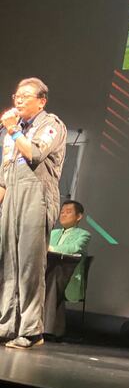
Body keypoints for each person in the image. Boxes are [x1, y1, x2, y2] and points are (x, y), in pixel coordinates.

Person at [0, 78, 67, 349]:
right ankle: (7, 326)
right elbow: (4, 177)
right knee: (8, 263)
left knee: (29, 264)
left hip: (36, 198)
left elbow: (35, 154)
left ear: (41, 101)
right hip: (11, 200)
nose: (18, 100)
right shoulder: (11, 132)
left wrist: (13, 130)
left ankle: (31, 331)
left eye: (25, 96)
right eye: (16, 95)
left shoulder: (51, 125)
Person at [45, 200, 91, 337]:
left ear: (79, 216)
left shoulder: (84, 234)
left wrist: (51, 248)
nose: (63, 215)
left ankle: (49, 328)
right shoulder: (53, 233)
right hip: (49, 272)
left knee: (52, 282)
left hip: (68, 276)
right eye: (62, 212)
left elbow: (74, 248)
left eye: (68, 212)